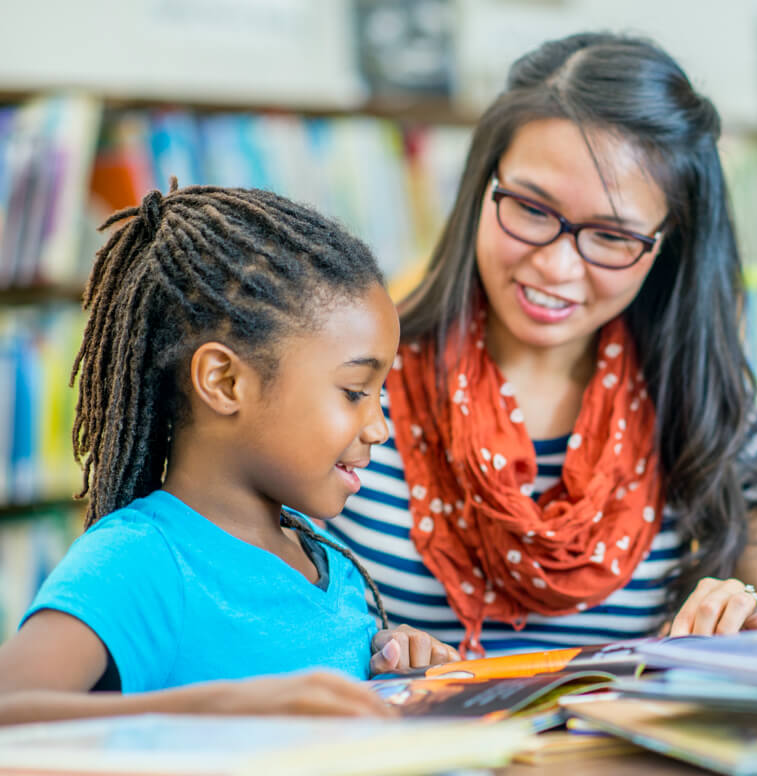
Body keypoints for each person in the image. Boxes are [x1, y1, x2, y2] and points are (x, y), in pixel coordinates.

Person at [328, 32, 757, 657]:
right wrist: (358, 650)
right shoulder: (353, 380)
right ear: (480, 187)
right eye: (531, 208)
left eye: (611, 236)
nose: (556, 266)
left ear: (668, 246)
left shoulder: (704, 406)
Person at [0, 184, 456, 725]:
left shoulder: (330, 562)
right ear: (224, 381)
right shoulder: (140, 561)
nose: (380, 427)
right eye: (355, 392)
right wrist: (220, 708)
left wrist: (389, 669)